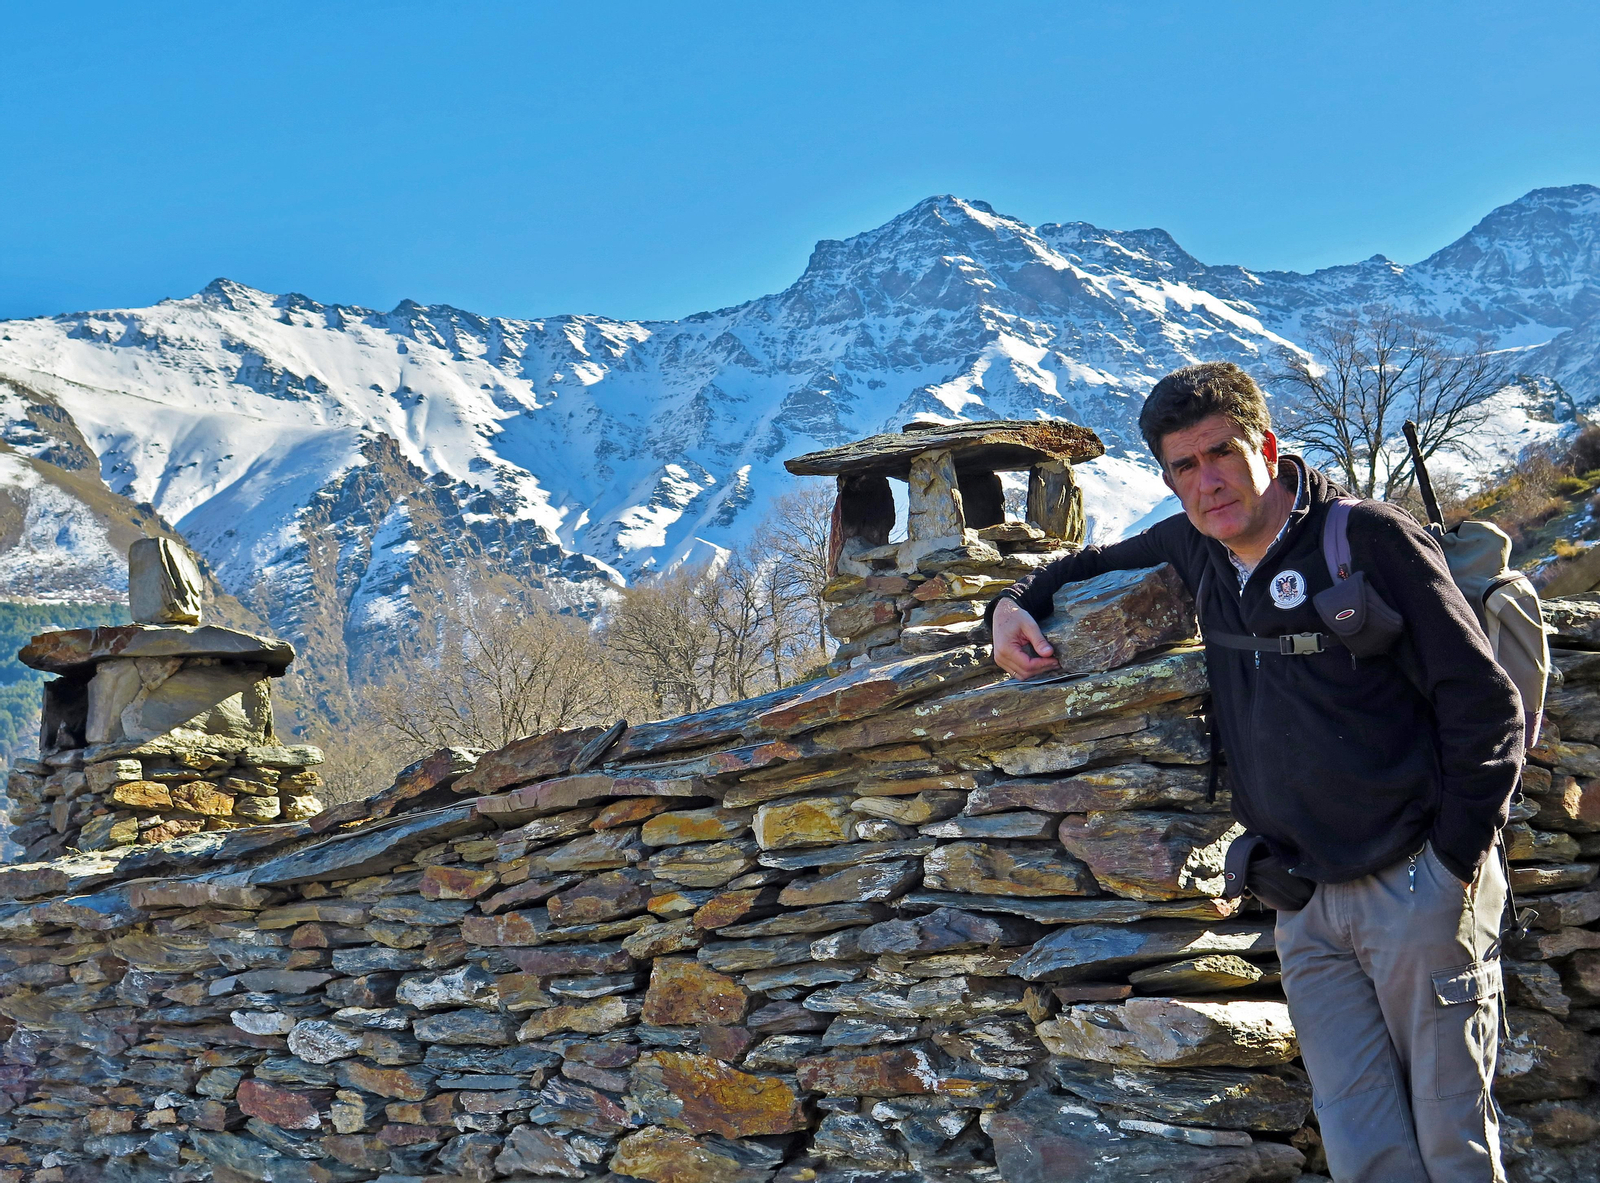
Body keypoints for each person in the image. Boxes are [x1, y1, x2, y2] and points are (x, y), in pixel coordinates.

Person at [989, 362, 1523, 1183]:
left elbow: (1486, 707)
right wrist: (1012, 604)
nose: (1208, 482)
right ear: (1169, 482)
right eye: (1184, 466)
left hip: (1416, 885)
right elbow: (1087, 565)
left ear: (1265, 446)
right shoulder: (1194, 547)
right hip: (1306, 907)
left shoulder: (1368, 540)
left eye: (1222, 453)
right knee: (1363, 1154)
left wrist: (1450, 869)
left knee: (1453, 1147)